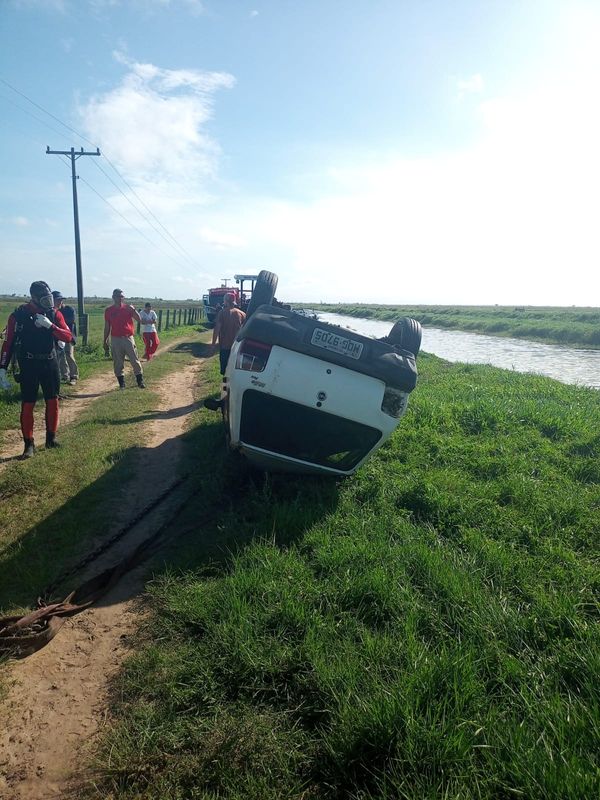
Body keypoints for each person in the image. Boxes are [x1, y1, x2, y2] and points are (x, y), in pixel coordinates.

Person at [0, 280, 73, 458]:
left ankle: (51, 439)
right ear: (33, 298)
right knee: (28, 403)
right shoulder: (18, 315)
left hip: (50, 362)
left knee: (53, 400)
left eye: (49, 298)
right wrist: (2, 368)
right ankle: (29, 444)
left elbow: (68, 336)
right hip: (29, 363)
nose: (48, 302)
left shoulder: (54, 314)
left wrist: (51, 326)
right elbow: (8, 343)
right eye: (44, 299)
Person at [103, 289, 145, 389]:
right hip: (115, 339)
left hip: (128, 338)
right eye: (118, 296)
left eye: (122, 296)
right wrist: (105, 340)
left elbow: (139, 320)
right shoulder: (109, 310)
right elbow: (107, 326)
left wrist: (133, 310)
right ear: (113, 297)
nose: (120, 298)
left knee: (134, 360)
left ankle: (140, 381)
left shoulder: (128, 308)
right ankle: (122, 384)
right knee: (118, 362)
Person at [212, 292, 246, 375]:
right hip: (238, 348)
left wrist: (213, 344)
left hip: (225, 347)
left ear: (225, 301)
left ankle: (225, 383)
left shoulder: (222, 313)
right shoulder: (242, 314)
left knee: (225, 372)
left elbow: (217, 329)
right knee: (235, 372)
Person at [52, 291, 79, 385]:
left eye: (61, 300)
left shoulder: (69, 310)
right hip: (57, 337)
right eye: (57, 300)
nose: (60, 302)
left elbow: (71, 321)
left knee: (69, 355)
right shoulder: (52, 312)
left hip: (69, 336)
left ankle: (74, 376)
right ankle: (65, 375)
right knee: (61, 357)